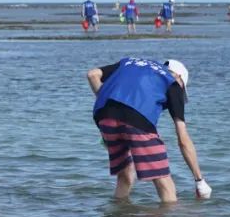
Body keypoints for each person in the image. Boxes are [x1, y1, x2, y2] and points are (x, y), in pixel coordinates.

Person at [87, 57, 211, 203]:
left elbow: (93, 74)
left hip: (104, 116)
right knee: (163, 181)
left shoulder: (131, 62)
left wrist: (113, 108)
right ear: (179, 78)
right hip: (137, 121)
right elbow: (183, 139)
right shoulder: (173, 82)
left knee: (125, 174)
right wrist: (199, 180)